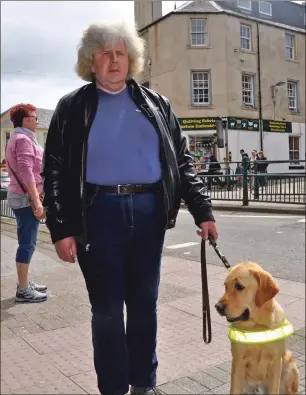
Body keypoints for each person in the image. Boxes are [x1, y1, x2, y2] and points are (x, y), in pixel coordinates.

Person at [42, 21, 218, 395]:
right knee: (106, 311)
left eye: (120, 52)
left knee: (144, 305)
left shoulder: (157, 105)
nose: (113, 60)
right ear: (91, 62)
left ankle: (144, 383)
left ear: (132, 60)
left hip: (148, 212)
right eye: (104, 53)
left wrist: (203, 211)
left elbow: (181, 162)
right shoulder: (72, 107)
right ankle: (112, 387)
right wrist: (60, 228)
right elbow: (53, 168)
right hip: (97, 214)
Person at [5, 104, 47, 303]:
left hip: (20, 197)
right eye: (34, 117)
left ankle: (24, 282)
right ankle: (23, 290)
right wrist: (36, 199)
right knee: (27, 243)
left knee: (26, 241)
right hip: (25, 199)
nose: (37, 121)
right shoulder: (23, 140)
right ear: (25, 119)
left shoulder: (18, 138)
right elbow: (26, 171)